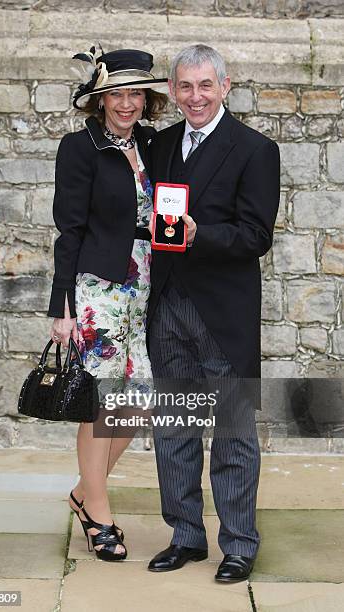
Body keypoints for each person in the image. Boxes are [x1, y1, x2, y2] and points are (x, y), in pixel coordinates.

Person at [147, 44, 280, 582]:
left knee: (231, 431)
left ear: (225, 86)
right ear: (174, 91)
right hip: (168, 305)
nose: (195, 97)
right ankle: (186, 535)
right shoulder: (159, 145)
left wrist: (202, 235)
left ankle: (240, 543)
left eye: (205, 86)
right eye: (185, 87)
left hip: (223, 312)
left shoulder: (254, 149)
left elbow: (256, 236)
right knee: (175, 428)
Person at [47, 46, 168, 562]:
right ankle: (99, 512)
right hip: (98, 288)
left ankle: (81, 492)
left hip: (147, 286)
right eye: (117, 94)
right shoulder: (79, 149)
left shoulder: (155, 143)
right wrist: (62, 306)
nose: (127, 103)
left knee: (137, 402)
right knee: (101, 403)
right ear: (99, 99)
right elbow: (68, 230)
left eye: (136, 93)